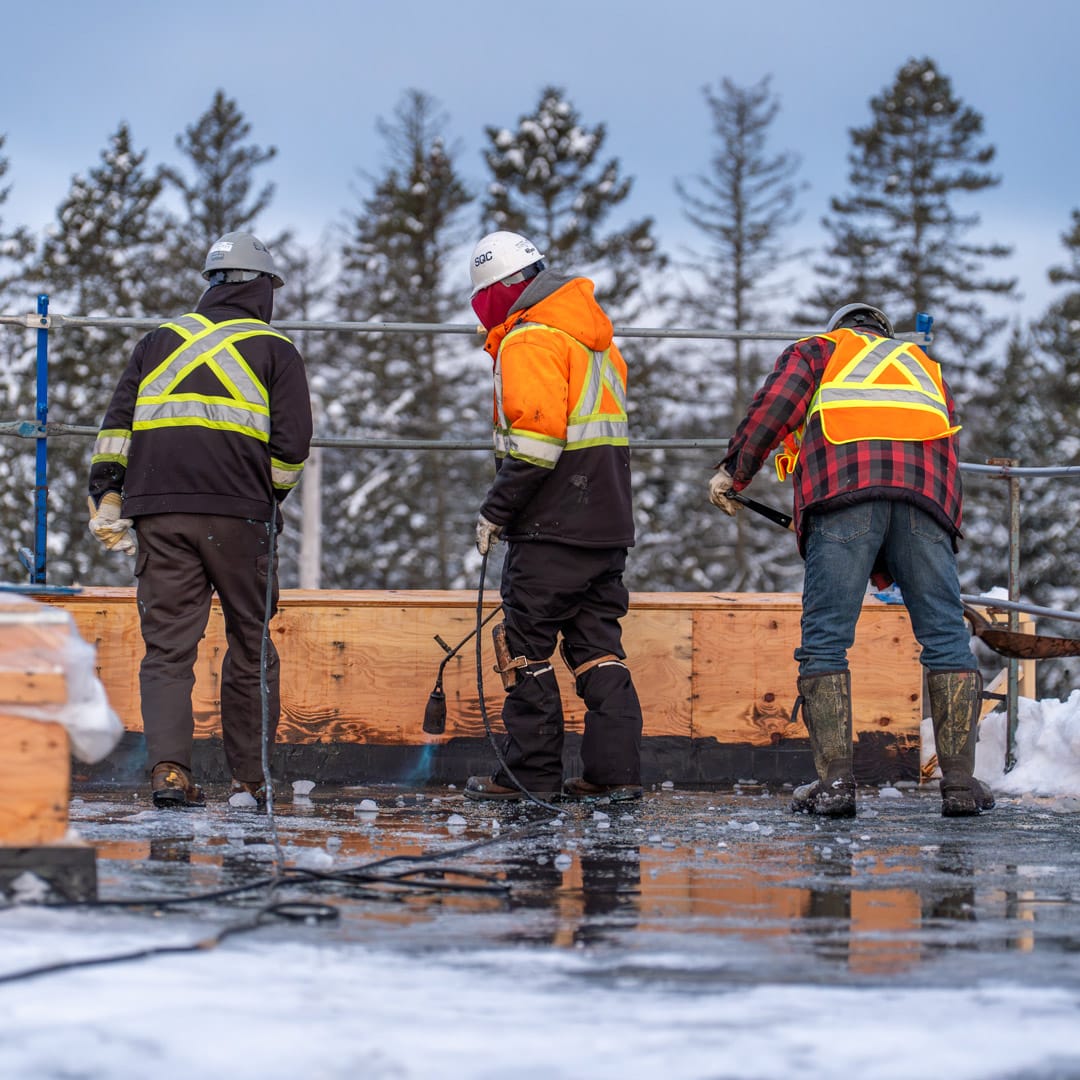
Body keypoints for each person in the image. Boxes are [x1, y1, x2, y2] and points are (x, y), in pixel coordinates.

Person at [708, 302, 994, 819]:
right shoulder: (921, 364)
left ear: (841, 328)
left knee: (826, 641)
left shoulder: (819, 350)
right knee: (947, 637)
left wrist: (734, 471)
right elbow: (948, 443)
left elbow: (777, 406)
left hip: (844, 499)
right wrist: (940, 524)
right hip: (925, 504)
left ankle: (835, 786)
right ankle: (958, 785)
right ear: (882, 332)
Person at [87, 231, 312, 809]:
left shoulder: (158, 341)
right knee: (251, 644)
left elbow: (116, 426)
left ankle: (168, 774)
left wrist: (107, 494)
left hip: (159, 515)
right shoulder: (275, 349)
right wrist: (269, 501)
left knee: (166, 652)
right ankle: (251, 781)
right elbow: (291, 448)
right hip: (240, 520)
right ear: (262, 288)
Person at [463, 230, 643, 804]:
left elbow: (537, 442)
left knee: (526, 649)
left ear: (497, 291)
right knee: (597, 647)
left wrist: (496, 511)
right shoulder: (595, 341)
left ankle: (530, 778)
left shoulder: (531, 339)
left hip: (552, 525)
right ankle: (613, 777)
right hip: (605, 522)